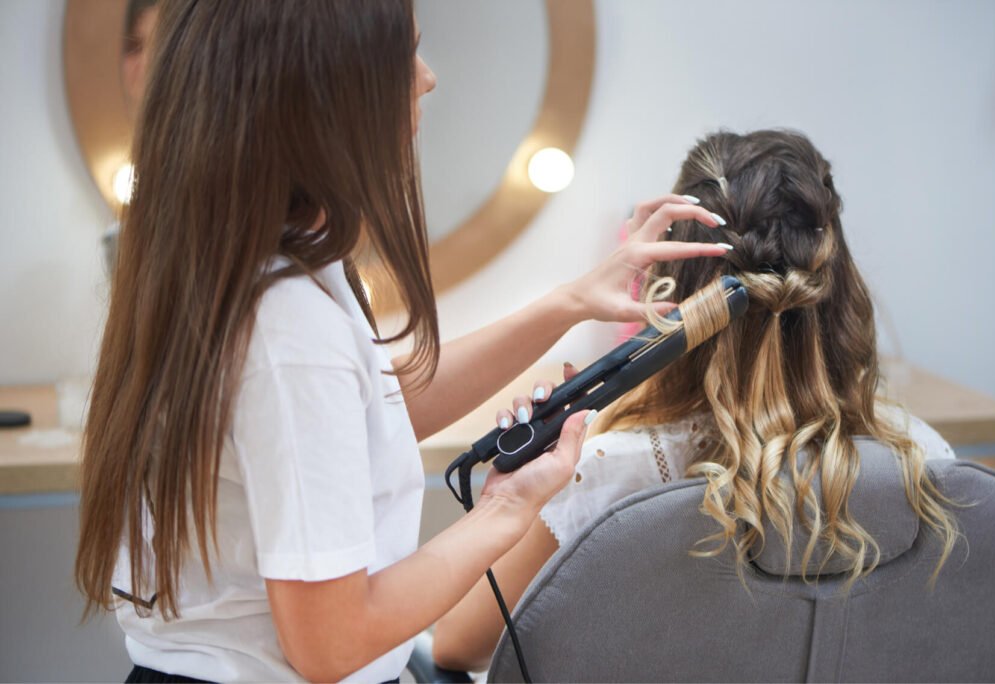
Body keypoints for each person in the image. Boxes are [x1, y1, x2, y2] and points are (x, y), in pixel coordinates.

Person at [72, 2, 730, 682]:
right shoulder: (287, 326)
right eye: (403, 55)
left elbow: (368, 411)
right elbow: (330, 643)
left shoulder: (260, 267)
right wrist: (506, 507)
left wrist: (570, 302)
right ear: (321, 92)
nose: (426, 78)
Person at [433, 129, 960, 672]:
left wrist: (514, 501)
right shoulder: (924, 461)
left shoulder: (605, 476)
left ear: (673, 284)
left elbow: (455, 646)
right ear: (841, 289)